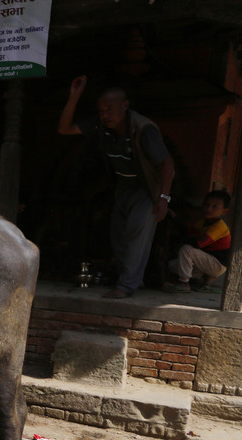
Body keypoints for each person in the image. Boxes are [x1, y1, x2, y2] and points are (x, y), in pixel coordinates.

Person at [58, 76, 175, 299]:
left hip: (147, 187)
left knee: (136, 234)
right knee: (118, 235)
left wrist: (163, 198)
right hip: (123, 185)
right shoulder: (101, 125)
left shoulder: (143, 129)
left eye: (109, 109)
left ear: (125, 105)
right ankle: (131, 280)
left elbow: (167, 163)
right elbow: (65, 129)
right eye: (101, 110)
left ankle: (126, 286)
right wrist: (74, 97)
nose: (105, 115)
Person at [164, 190, 232, 293]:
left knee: (186, 249)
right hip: (206, 262)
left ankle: (184, 283)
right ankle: (200, 279)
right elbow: (188, 232)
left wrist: (179, 242)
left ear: (224, 211)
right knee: (172, 266)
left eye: (214, 206)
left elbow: (197, 243)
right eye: (206, 205)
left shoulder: (220, 227)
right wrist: (174, 216)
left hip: (217, 265)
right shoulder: (203, 222)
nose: (208, 209)